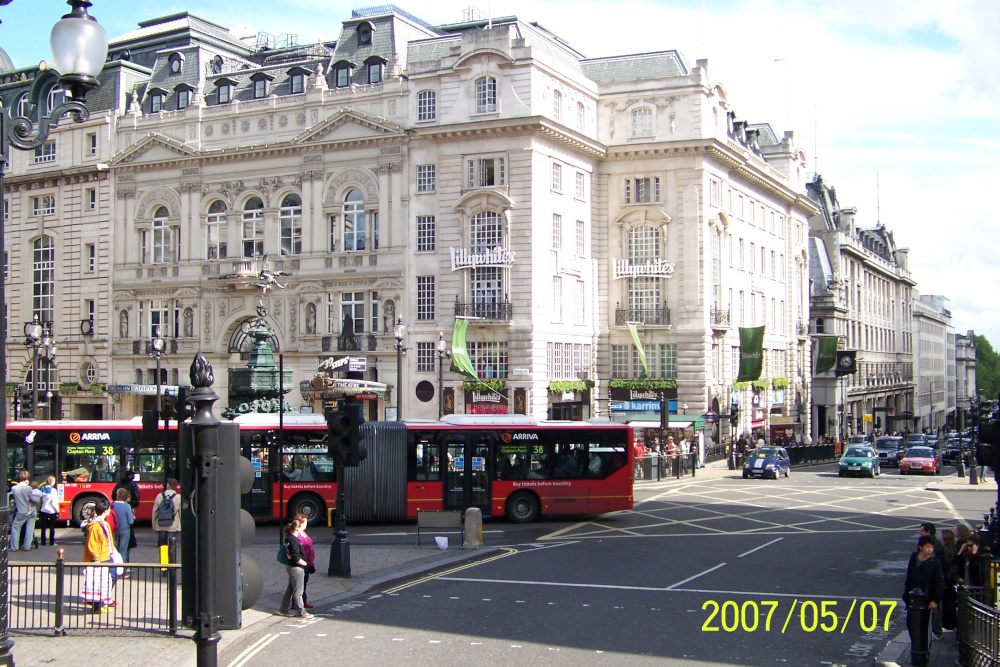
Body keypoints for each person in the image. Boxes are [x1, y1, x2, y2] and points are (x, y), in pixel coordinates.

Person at [903, 535, 946, 665]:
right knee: (911, 624)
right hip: (913, 599)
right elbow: (909, 576)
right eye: (928, 547)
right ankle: (916, 648)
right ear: (920, 547)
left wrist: (935, 600)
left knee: (925, 629)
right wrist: (906, 594)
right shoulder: (914, 558)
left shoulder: (935, 562)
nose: (930, 550)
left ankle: (923, 654)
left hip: (927, 601)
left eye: (932, 547)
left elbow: (939, 582)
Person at [81, 497, 115, 613]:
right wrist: (95, 557)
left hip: (105, 555)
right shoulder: (95, 525)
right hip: (98, 558)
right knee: (98, 581)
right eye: (109, 509)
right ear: (105, 510)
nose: (110, 511)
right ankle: (98, 606)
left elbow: (108, 539)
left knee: (104, 580)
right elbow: (92, 543)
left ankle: (101, 604)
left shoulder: (103, 523)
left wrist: (112, 549)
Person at [278, 518, 314, 618]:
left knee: (290, 589)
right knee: (298, 591)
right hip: (297, 568)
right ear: (297, 529)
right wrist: (305, 564)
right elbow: (296, 557)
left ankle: (283, 609)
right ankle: (302, 612)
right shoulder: (294, 541)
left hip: (290, 566)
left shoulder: (289, 538)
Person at [10, 471, 41, 551]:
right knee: (30, 529)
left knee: (15, 527)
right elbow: (34, 499)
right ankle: (27, 546)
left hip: (21, 511)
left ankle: (14, 547)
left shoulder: (14, 488)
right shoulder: (29, 488)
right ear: (27, 478)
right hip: (32, 511)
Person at [294, 514, 316, 609]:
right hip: (302, 562)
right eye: (305, 522)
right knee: (299, 584)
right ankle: (297, 604)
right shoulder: (297, 535)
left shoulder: (303, 533)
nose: (306, 524)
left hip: (308, 562)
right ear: (301, 523)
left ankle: (304, 600)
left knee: (304, 582)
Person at [152, 479, 181, 549]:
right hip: (173, 526)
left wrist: (154, 526)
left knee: (162, 548)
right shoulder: (178, 497)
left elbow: (154, 512)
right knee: (172, 546)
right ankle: (171, 559)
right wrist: (180, 527)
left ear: (168, 485)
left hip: (161, 525)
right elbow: (180, 514)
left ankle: (164, 559)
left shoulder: (159, 496)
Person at [940, 529, 958, 631]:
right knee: (950, 602)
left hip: (948, 578)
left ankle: (948, 624)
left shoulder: (945, 550)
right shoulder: (953, 548)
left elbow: (946, 565)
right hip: (952, 578)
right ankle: (951, 623)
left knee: (947, 603)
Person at [112, 488, 134, 565]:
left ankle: (114, 568)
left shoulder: (113, 504)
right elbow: (131, 521)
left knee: (116, 550)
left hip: (116, 529)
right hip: (125, 530)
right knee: (123, 551)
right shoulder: (127, 506)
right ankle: (122, 570)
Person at [37, 476, 60, 546]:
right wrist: (58, 511)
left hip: (43, 510)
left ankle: (43, 542)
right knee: (52, 527)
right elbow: (54, 502)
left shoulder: (42, 489)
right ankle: (51, 542)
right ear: (52, 482)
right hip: (51, 511)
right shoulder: (53, 490)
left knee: (43, 527)